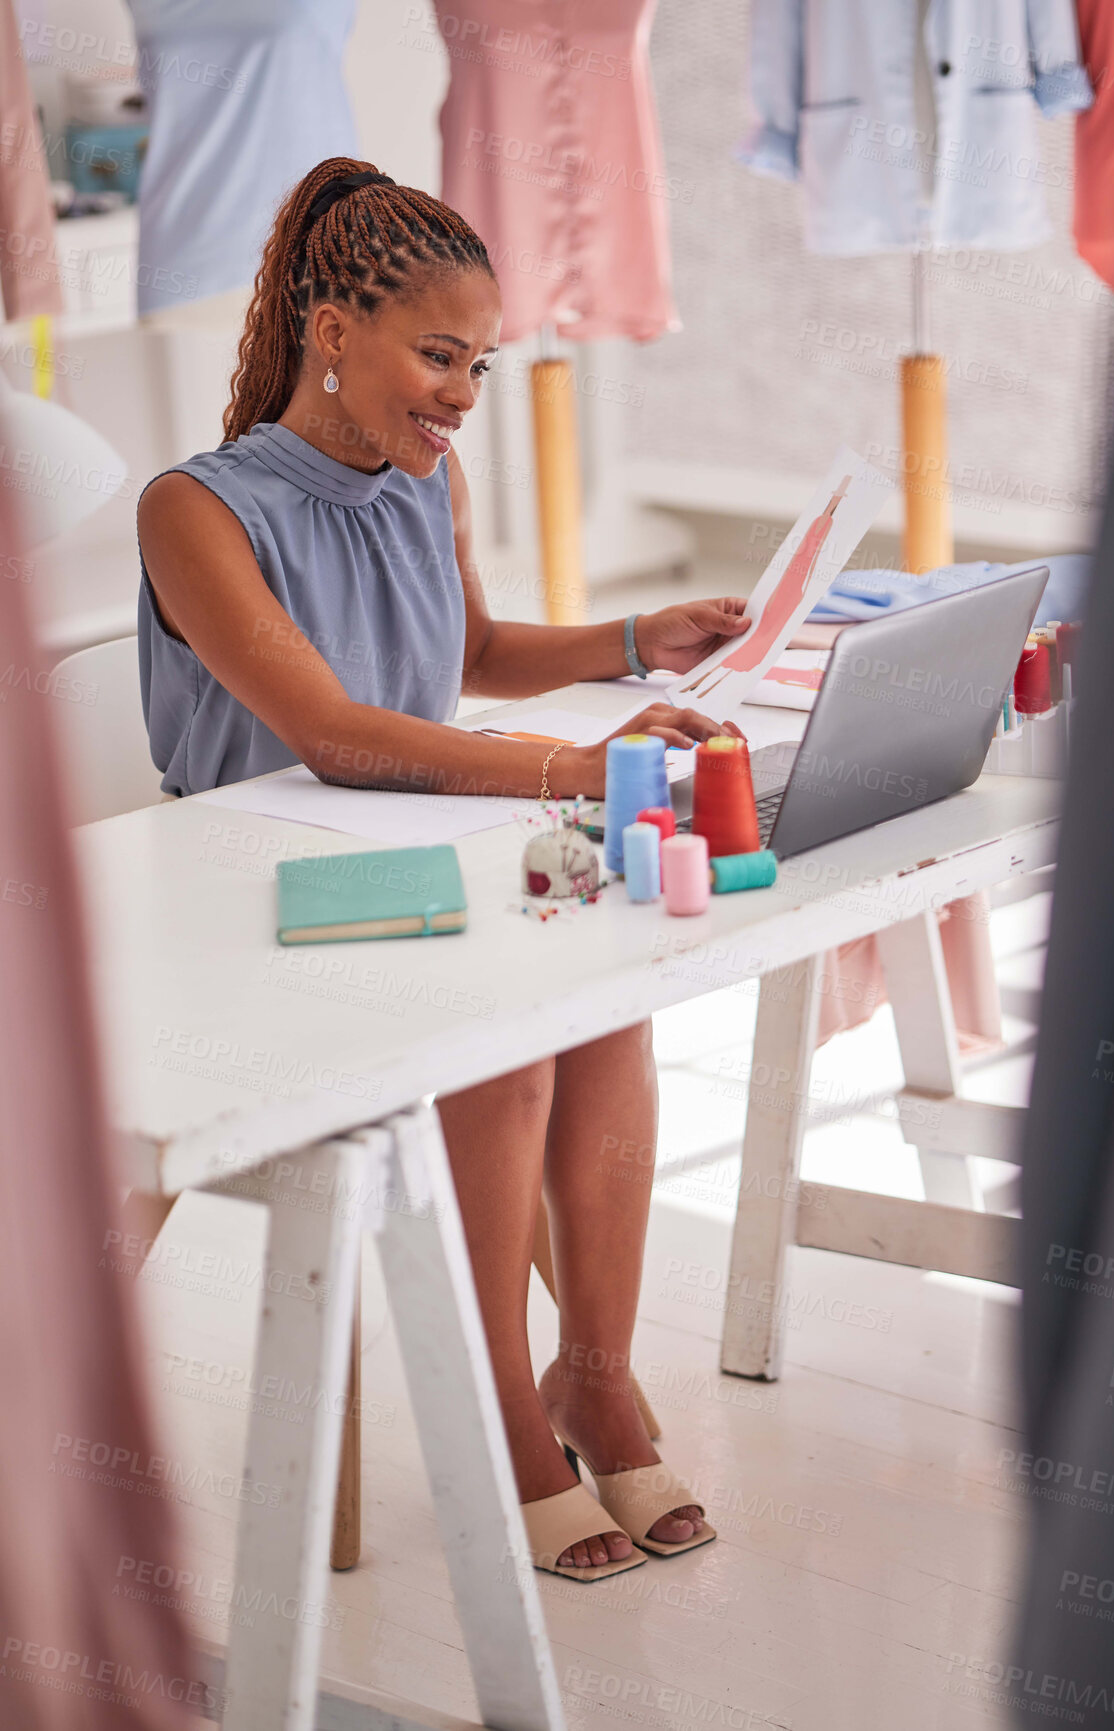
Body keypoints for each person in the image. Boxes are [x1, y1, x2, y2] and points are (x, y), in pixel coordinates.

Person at [136, 158, 752, 1579]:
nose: (464, 393)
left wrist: (625, 642)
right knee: (509, 1038)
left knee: (603, 1002)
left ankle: (589, 1376)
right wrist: (583, 765)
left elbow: (469, 656)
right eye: (439, 357)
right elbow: (339, 735)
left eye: (480, 362)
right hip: (248, 905)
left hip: (411, 859)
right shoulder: (201, 510)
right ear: (331, 331)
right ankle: (501, 1414)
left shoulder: (428, 477)